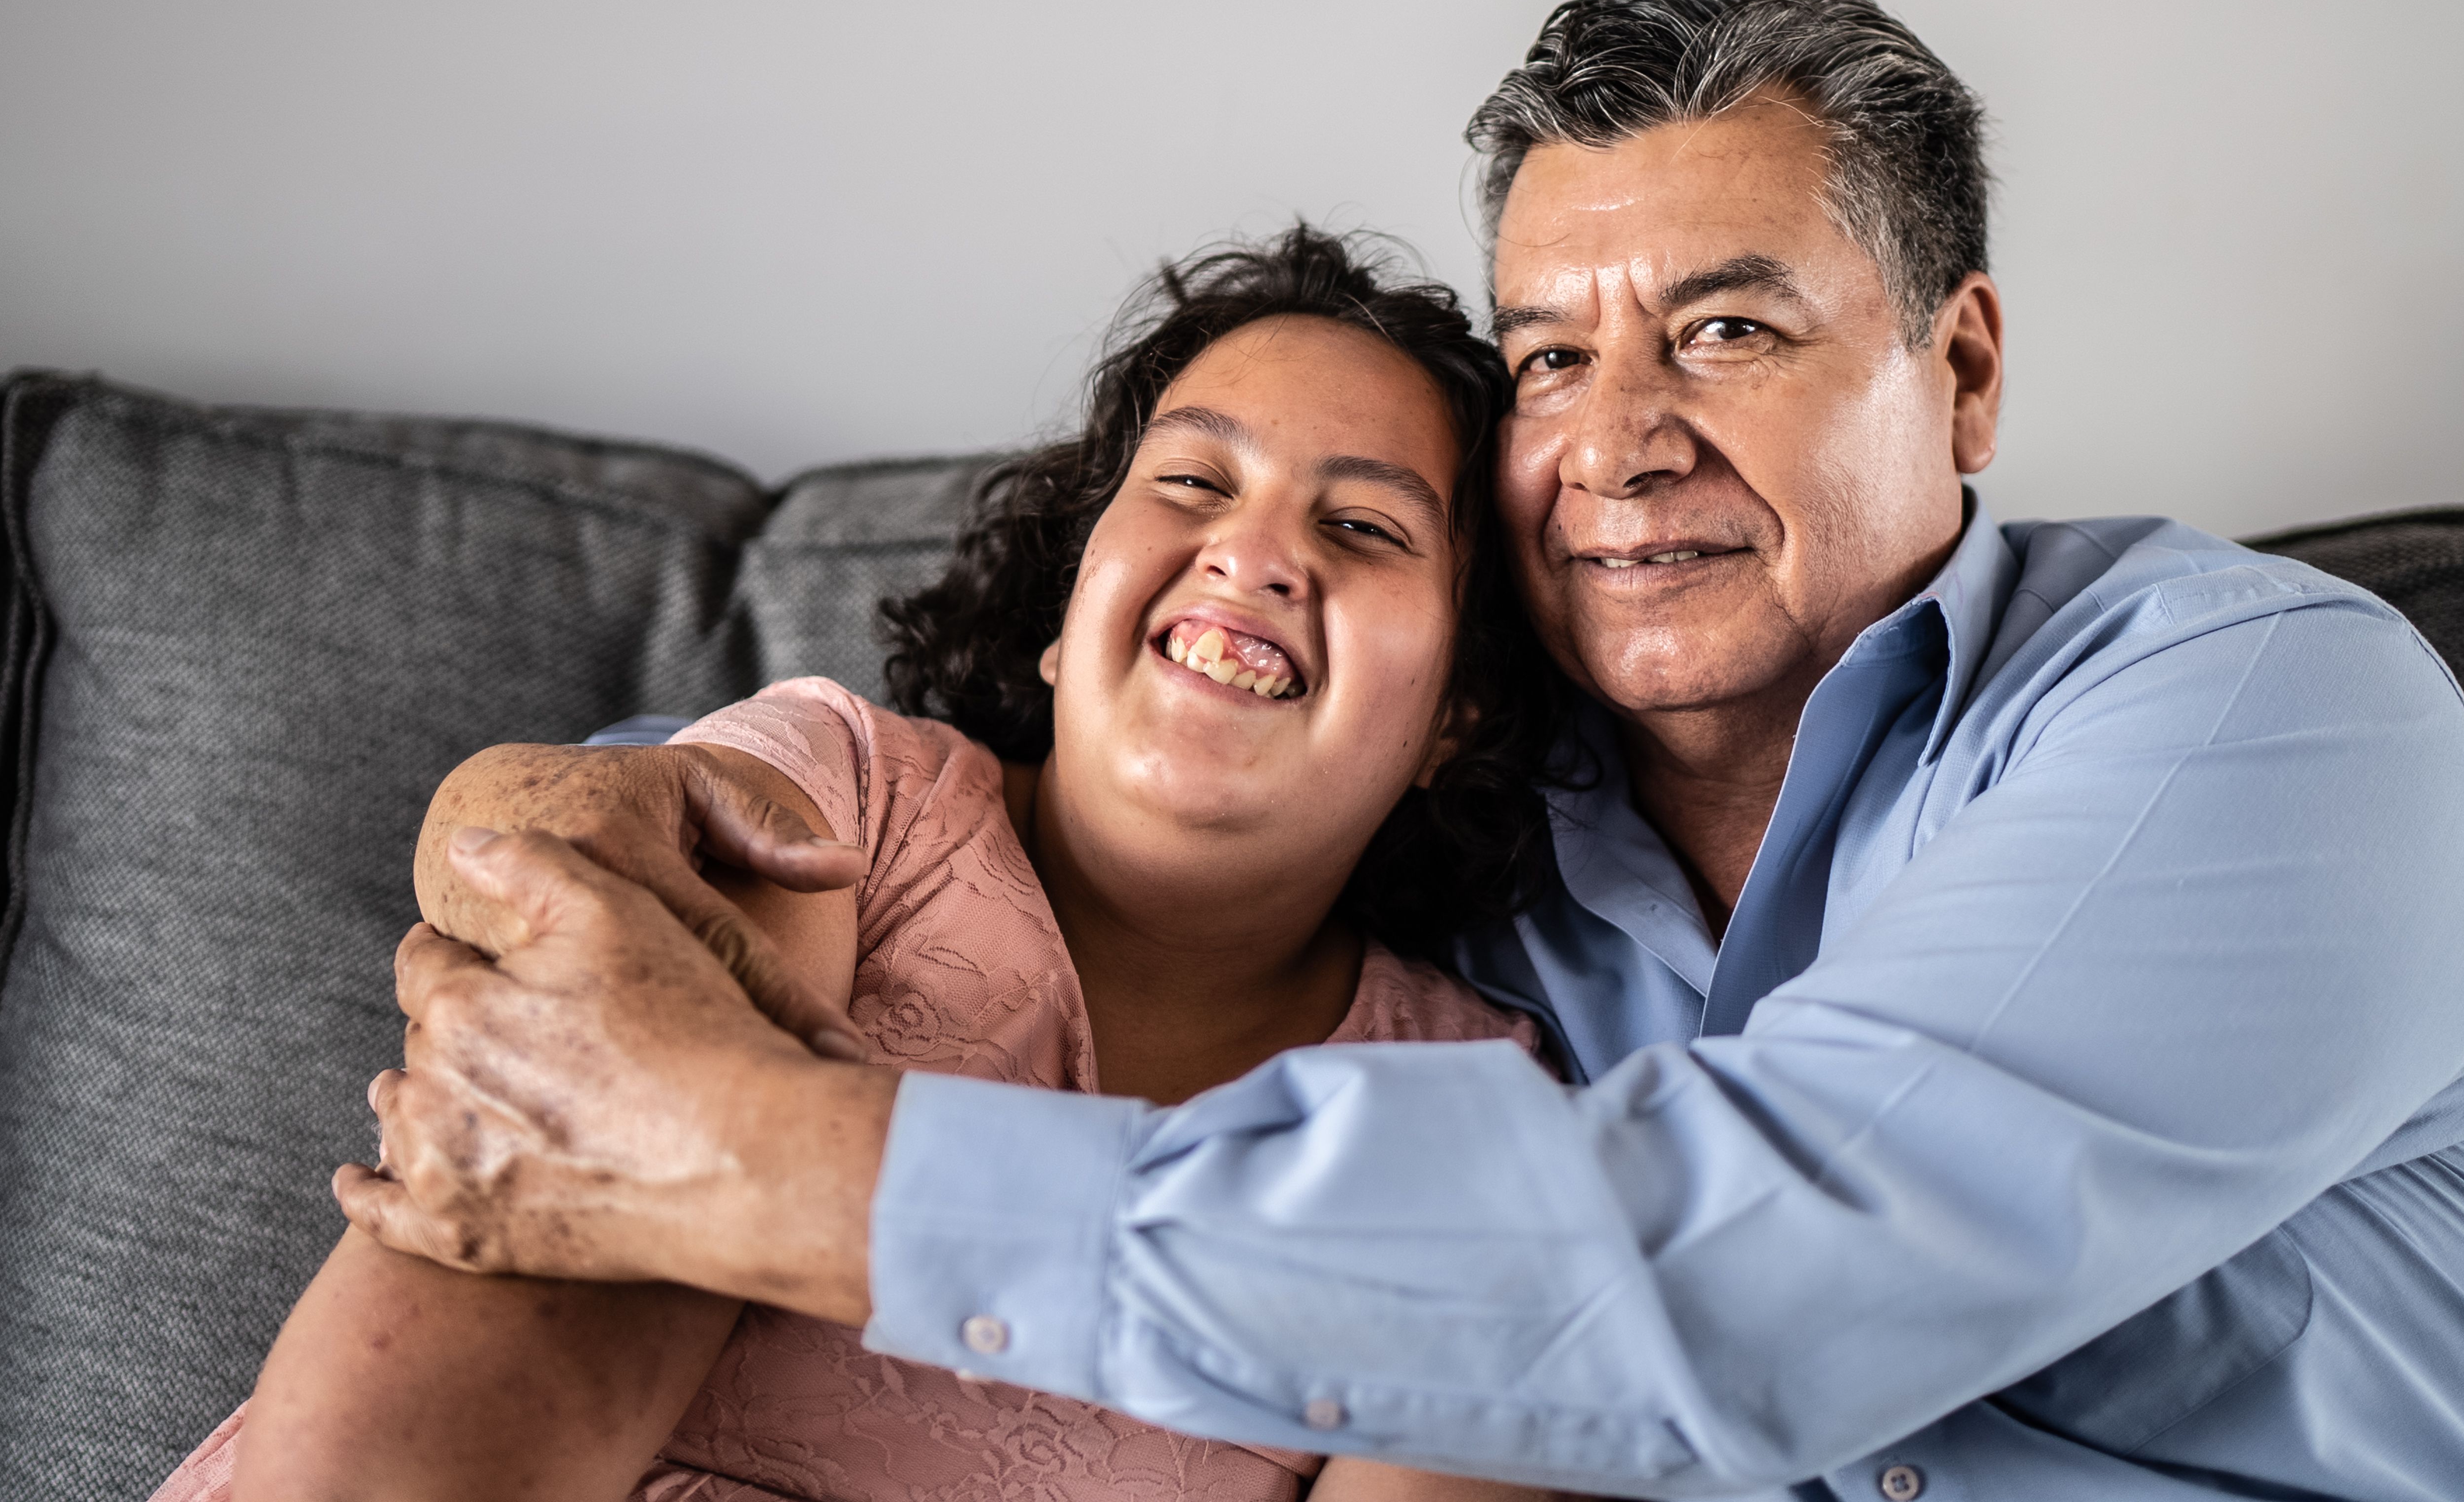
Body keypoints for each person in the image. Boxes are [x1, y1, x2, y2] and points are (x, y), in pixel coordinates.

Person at [338, 0, 2464, 1500]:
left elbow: (1736, 1269)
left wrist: (753, 1150)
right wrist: (570, 851)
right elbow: (918, 815)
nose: (1614, 441)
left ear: (1959, 370)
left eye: (1730, 327)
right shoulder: (1479, 825)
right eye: (1552, 357)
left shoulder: (2253, 707)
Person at [154, 229, 1581, 1502]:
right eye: (1194, 480)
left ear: (1459, 709)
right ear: (1069, 598)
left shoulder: (1482, 1128)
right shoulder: (847, 803)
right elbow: (406, 1464)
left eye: (1362, 526)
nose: (1251, 554)